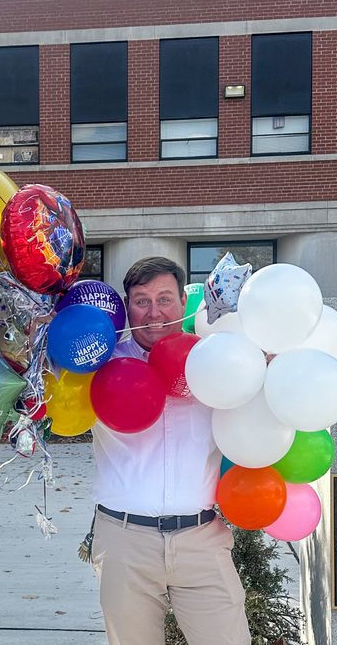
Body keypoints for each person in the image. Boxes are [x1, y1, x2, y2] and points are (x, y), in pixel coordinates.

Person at [89, 256, 251, 645]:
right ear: (128, 307)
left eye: (164, 298)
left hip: (201, 539)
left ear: (183, 302)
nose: (153, 311)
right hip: (124, 541)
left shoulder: (213, 360)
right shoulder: (99, 363)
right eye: (141, 300)